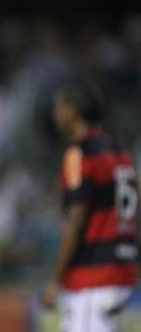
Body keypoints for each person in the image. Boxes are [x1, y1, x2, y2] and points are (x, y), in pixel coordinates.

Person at [41, 83, 139, 332]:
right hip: (123, 271)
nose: (55, 113)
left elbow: (76, 218)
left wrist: (55, 279)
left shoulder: (79, 154)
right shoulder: (120, 153)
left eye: (59, 107)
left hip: (92, 276)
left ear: (73, 112)